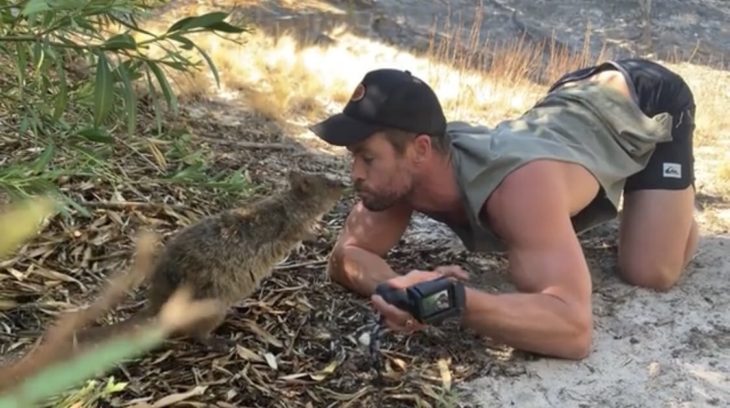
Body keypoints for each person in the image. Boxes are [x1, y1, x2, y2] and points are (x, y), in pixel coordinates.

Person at [308, 58, 698, 360]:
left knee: (650, 270)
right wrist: (400, 291)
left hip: (645, 99)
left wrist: (449, 299)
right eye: (353, 156)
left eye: (367, 157)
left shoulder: (517, 189)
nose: (355, 173)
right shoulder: (400, 176)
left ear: (420, 150)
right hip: (570, 99)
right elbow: (348, 255)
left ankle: (671, 208)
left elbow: (574, 330)